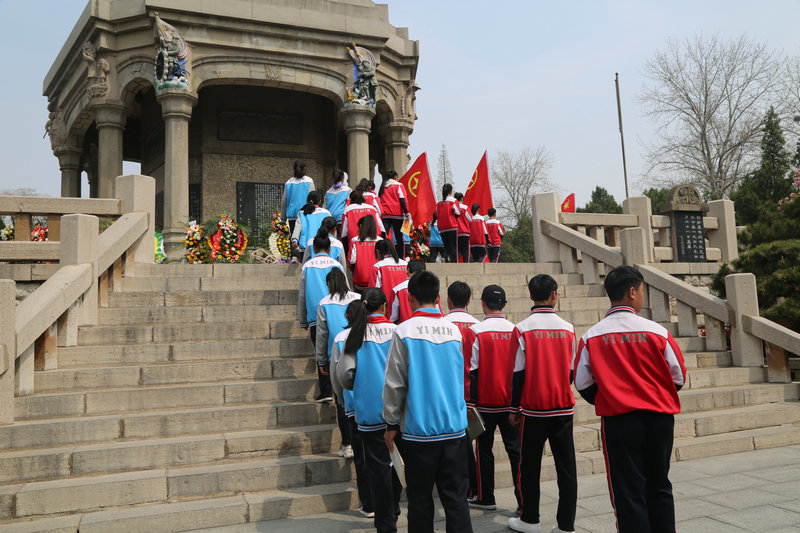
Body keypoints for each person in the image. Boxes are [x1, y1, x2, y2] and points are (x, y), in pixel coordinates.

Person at [574, 265, 686, 533]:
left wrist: (609, 396)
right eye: (642, 290)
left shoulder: (591, 336)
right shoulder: (657, 331)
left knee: (627, 491)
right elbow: (679, 376)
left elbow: (582, 383)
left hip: (619, 422)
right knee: (660, 484)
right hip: (659, 419)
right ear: (632, 292)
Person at [383, 271, 473, 533]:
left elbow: (394, 384)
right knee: (457, 501)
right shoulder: (454, 331)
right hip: (454, 430)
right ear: (437, 298)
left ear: (409, 298)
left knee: (420, 502)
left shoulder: (404, 331)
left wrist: (390, 422)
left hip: (419, 434)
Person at [507, 274, 577, 533]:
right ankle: (566, 524)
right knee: (566, 467)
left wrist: (514, 409)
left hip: (534, 409)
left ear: (530, 295)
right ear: (554, 294)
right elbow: (571, 372)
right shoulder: (568, 328)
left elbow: (518, 373)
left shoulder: (522, 328)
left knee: (530, 465)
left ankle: (530, 519)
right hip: (562, 406)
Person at [337, 289, 403, 533]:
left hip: (369, 413)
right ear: (385, 306)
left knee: (376, 469)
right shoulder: (399, 331)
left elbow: (345, 375)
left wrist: (362, 385)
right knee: (397, 464)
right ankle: (394, 507)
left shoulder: (354, 335)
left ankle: (385, 523)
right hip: (398, 413)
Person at [465, 285, 521, 512]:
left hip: (485, 404)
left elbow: (471, 370)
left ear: (482, 304)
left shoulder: (475, 331)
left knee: (484, 451)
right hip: (510, 403)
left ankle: (486, 497)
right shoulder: (516, 330)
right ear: (505, 305)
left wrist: (470, 403)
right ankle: (522, 502)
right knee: (516, 453)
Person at [330, 301, 374, 519]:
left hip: (354, 407)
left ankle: (368, 504)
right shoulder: (384, 332)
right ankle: (390, 503)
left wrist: (341, 398)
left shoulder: (340, 338)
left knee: (362, 457)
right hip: (381, 405)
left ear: (347, 315)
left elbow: (338, 375)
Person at [316, 269, 361, 459]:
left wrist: (321, 360)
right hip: (360, 352)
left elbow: (322, 334)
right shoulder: (358, 297)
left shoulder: (325, 303)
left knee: (341, 401)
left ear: (329, 284)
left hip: (337, 354)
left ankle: (348, 443)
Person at [297, 235, 346, 402]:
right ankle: (341, 389)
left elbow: (302, 295)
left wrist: (302, 319)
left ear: (313, 249)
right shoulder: (337, 265)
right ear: (330, 248)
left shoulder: (307, 267)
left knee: (321, 349)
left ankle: (326, 391)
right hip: (338, 313)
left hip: (314, 316)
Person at [444, 281, 480, 500]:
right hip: (473, 394)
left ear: (448, 300)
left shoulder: (443, 325)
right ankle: (473, 487)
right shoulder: (477, 327)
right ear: (469, 301)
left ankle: (464, 487)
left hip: (449, 393)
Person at [371, 238, 408, 317]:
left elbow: (373, 292)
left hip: (386, 312)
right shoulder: (405, 264)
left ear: (378, 251)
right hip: (405, 309)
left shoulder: (378, 267)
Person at [378, 170, 411, 258]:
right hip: (397, 215)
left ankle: (383, 255)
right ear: (395, 177)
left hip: (385, 215)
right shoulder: (398, 185)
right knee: (399, 238)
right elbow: (402, 199)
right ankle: (400, 258)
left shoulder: (383, 187)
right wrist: (406, 211)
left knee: (384, 236)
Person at [291, 190, 331, 261]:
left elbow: (298, 228)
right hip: (322, 247)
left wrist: (294, 240)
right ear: (320, 201)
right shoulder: (326, 213)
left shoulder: (302, 213)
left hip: (305, 247)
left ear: (307, 200)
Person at [281, 159, 315, 236]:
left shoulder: (289, 182)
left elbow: (284, 201)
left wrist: (283, 219)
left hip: (292, 216)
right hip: (305, 215)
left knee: (293, 238)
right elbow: (312, 199)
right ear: (305, 169)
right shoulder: (309, 181)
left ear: (294, 169)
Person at [389, 259, 427, 323]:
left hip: (405, 329)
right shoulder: (431, 287)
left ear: (407, 271)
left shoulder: (398, 290)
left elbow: (392, 317)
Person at [349, 215, 380, 292]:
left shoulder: (355, 240)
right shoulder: (380, 240)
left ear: (361, 226)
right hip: (376, 279)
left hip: (360, 279)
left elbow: (352, 260)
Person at [432, 183, 460, 262]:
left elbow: (437, 214)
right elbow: (458, 213)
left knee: (446, 245)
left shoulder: (439, 202)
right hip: (452, 226)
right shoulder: (453, 200)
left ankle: (444, 257)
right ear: (451, 191)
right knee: (453, 246)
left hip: (442, 227)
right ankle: (454, 263)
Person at [324, 169, 351, 236]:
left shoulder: (328, 192)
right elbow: (349, 206)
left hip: (330, 221)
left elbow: (324, 207)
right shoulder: (348, 190)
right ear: (343, 177)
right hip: (341, 221)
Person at [453, 192, 473, 263]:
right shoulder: (465, 207)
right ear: (462, 198)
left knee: (458, 250)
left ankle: (454, 261)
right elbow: (470, 219)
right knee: (466, 250)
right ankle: (466, 264)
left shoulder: (453, 207)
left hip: (456, 232)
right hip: (465, 232)